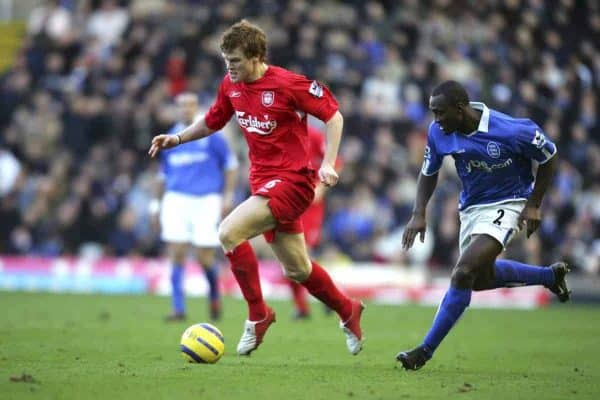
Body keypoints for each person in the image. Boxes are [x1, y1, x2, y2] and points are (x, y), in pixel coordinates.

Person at [149, 20, 364, 356]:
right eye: (225, 61)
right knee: (298, 269)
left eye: (234, 61)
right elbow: (213, 120)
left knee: (228, 233)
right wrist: (177, 138)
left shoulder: (288, 83)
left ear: (256, 57)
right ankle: (347, 310)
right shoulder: (230, 86)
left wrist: (327, 163)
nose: (229, 67)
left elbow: (333, 116)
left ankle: (258, 314)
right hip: (263, 182)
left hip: (294, 182)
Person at [397, 80, 571, 370]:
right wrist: (418, 213)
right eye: (432, 113)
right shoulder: (438, 132)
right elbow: (429, 172)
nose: (436, 120)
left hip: (511, 201)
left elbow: (549, 156)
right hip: (472, 208)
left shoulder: (512, 130)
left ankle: (423, 351)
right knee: (479, 279)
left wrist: (534, 204)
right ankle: (549, 277)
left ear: (460, 109)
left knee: (462, 272)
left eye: (440, 113)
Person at [151, 92, 237, 322]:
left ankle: (214, 295)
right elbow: (162, 176)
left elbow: (230, 166)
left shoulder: (210, 135)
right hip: (176, 199)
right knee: (176, 253)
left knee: (204, 256)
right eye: (181, 105)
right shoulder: (169, 136)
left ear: (196, 107)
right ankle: (178, 308)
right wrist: (155, 206)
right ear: (176, 108)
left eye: (190, 105)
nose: (185, 109)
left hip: (206, 200)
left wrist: (227, 197)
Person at [288, 125, 338, 320]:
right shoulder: (278, 130)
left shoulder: (314, 135)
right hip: (287, 200)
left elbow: (335, 162)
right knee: (290, 257)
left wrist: (321, 188)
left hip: (309, 206)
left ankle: (328, 299)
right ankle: (304, 307)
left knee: (301, 254)